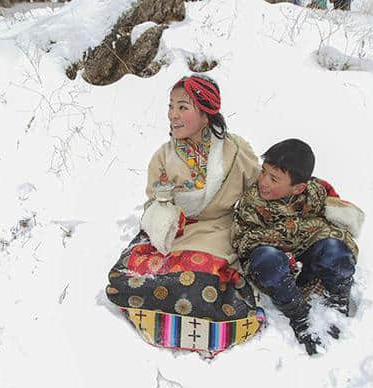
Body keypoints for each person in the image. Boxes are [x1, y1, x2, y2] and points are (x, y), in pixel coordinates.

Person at [106, 74, 264, 354]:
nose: (172, 116)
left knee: (200, 278)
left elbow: (258, 190)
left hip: (215, 229)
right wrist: (164, 214)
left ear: (205, 113)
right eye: (170, 107)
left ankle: (191, 312)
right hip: (173, 231)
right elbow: (152, 205)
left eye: (182, 107)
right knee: (127, 275)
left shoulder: (235, 150)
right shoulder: (163, 157)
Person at [231, 139, 364, 355]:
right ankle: (298, 312)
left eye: (274, 178)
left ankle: (337, 300)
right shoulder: (252, 201)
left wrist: (308, 235)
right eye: (263, 172)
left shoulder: (314, 194)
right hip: (276, 268)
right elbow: (244, 241)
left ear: (299, 187)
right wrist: (287, 240)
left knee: (336, 250)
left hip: (306, 259)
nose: (263, 181)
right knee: (267, 261)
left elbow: (336, 227)